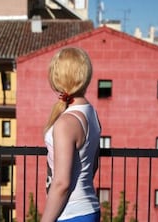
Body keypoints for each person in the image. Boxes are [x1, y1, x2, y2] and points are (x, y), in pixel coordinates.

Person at [41, 47, 101, 222]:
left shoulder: (66, 123)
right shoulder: (91, 114)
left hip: (71, 214)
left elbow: (61, 184)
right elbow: (93, 166)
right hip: (88, 209)